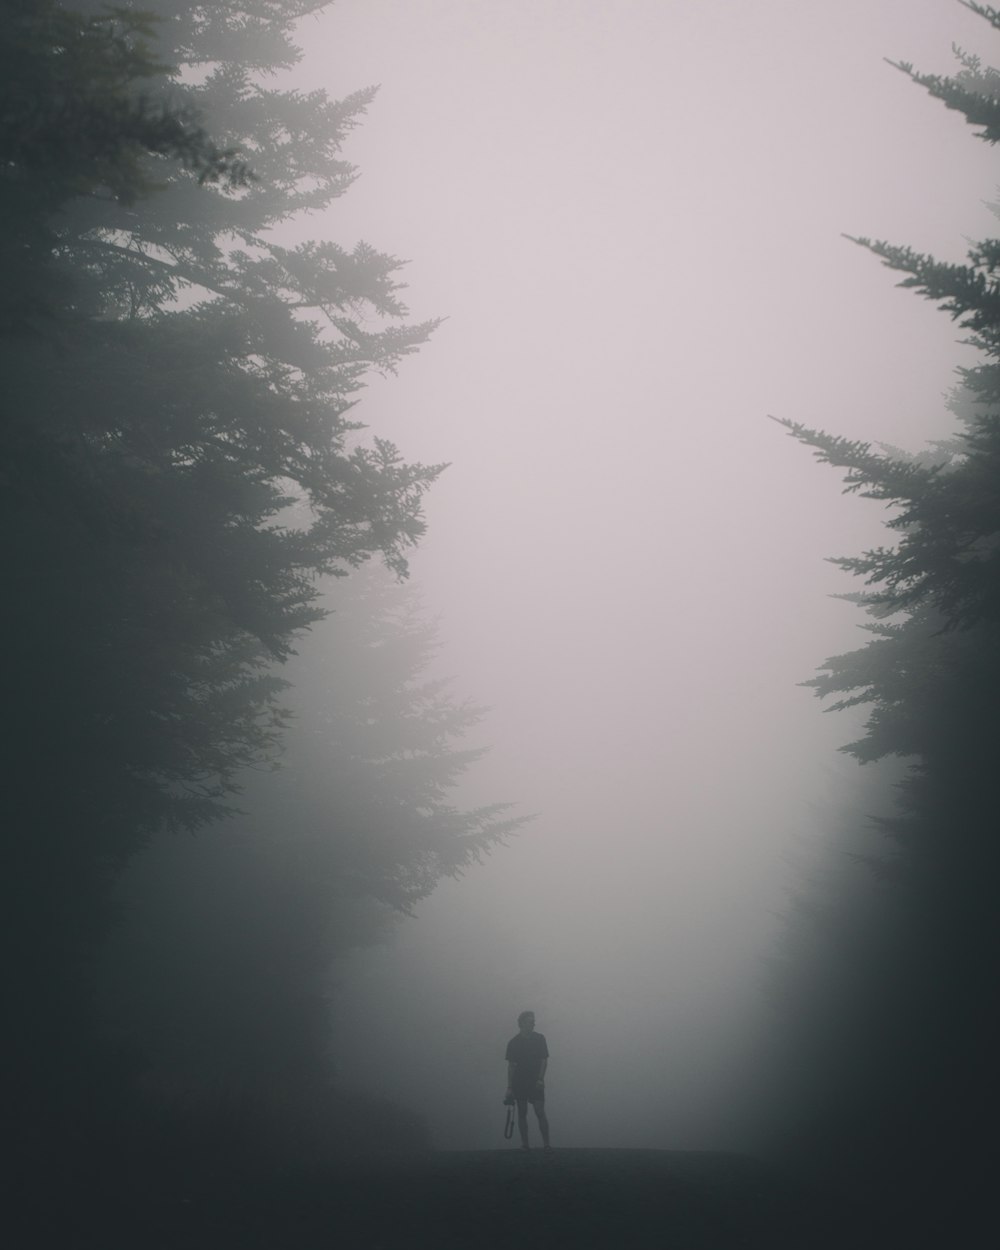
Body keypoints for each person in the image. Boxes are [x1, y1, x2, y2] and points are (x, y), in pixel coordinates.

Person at [504, 1010, 550, 1150]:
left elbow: (544, 1060)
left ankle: (547, 1144)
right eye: (531, 1021)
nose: (533, 1023)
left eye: (533, 1021)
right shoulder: (513, 1043)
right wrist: (510, 1087)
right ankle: (525, 1145)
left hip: (535, 1081)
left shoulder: (540, 1038)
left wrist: (541, 1079)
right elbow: (511, 1066)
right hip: (520, 1081)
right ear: (522, 1023)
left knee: (540, 1112)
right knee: (522, 1112)